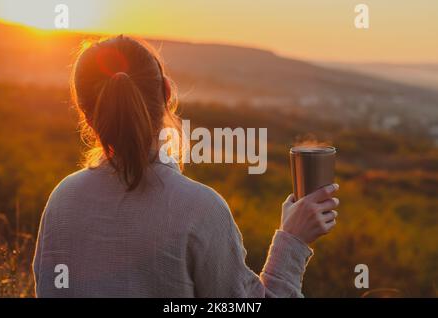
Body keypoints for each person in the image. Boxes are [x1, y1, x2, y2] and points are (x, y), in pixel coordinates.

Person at [33, 35, 339, 297]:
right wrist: (293, 240)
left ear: (86, 114)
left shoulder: (62, 200)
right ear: (167, 93)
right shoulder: (199, 209)